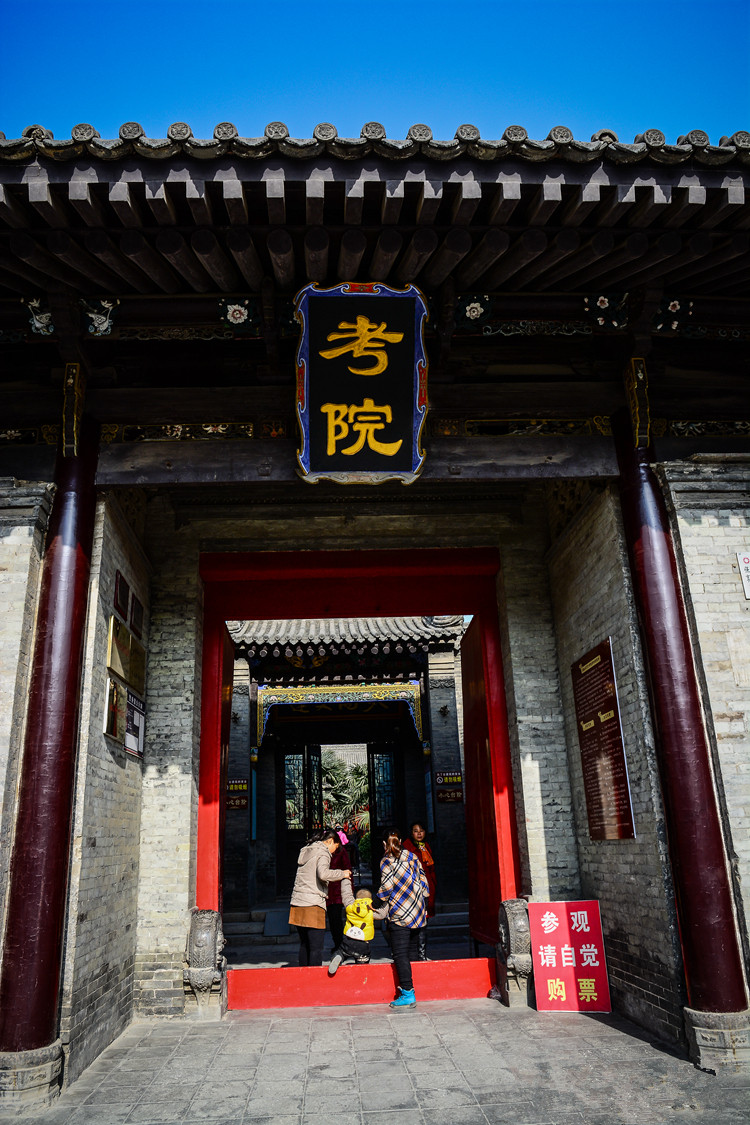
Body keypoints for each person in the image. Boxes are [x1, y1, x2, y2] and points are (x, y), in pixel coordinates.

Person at [378, 828, 429, 1008]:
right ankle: (418, 988)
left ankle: (408, 992)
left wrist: (378, 900)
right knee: (413, 949)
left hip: (400, 911)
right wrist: (421, 900)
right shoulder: (412, 856)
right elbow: (424, 880)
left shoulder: (387, 861)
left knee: (400, 953)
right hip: (417, 909)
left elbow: (387, 887)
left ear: (385, 844)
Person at [288, 829, 351, 967]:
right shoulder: (323, 852)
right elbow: (323, 874)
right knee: (316, 948)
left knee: (305, 945)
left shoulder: (306, 849)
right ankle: (314, 981)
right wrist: (343, 873)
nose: (335, 851)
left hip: (298, 902)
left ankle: (304, 977)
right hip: (312, 903)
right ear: (330, 841)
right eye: (336, 846)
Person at [328, 884, 387, 974]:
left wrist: (346, 879)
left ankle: (339, 956)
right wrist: (386, 900)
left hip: (347, 942)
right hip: (363, 945)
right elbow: (382, 913)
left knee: (341, 952)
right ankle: (361, 971)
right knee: (363, 964)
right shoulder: (371, 910)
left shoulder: (350, 906)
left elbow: (346, 895)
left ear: (356, 898)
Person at [402, 821, 436, 961]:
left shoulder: (425, 847)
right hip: (414, 890)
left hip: (427, 888)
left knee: (424, 922)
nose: (419, 833)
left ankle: (421, 954)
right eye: (416, 831)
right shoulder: (407, 848)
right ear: (411, 833)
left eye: (421, 830)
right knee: (416, 922)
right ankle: (412, 954)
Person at [326, 830, 350, 954]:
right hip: (328, 891)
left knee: (337, 918)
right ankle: (338, 944)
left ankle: (342, 945)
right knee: (332, 919)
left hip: (338, 890)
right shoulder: (324, 853)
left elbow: (347, 869)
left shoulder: (341, 852)